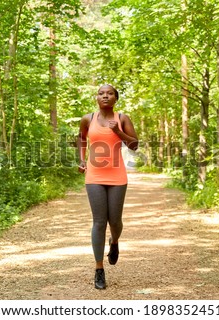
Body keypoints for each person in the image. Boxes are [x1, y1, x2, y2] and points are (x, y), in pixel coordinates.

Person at [77, 84, 138, 289]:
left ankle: (114, 242)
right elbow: (81, 138)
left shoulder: (122, 118)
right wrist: (82, 160)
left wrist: (118, 132)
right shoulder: (88, 119)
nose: (105, 96)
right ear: (97, 97)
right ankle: (99, 269)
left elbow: (134, 145)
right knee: (99, 222)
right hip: (94, 174)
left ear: (115, 98)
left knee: (115, 221)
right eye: (101, 93)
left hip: (117, 175)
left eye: (109, 93)